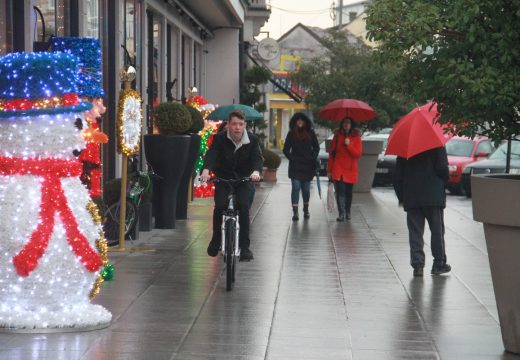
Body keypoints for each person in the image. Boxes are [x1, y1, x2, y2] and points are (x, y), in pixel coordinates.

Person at [200, 111, 263, 261]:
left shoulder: (252, 140)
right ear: (228, 124)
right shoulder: (219, 138)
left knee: (243, 206)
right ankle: (215, 241)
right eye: (234, 124)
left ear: (245, 125)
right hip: (224, 178)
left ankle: (245, 247)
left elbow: (257, 158)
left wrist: (256, 172)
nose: (237, 127)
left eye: (240, 124)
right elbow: (212, 154)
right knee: (220, 206)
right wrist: (207, 169)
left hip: (244, 179)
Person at [393, 146, 451, 277]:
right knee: (437, 231)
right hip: (433, 195)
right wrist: (443, 183)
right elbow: (442, 168)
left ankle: (418, 266)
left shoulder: (405, 146)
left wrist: (402, 197)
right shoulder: (436, 144)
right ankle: (438, 263)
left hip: (412, 196)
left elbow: (397, 176)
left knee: (415, 233)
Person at [283, 112, 319, 221]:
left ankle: (306, 208)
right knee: (296, 187)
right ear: (295, 122)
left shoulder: (311, 133)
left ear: (305, 122)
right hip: (295, 166)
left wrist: (312, 158)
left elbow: (316, 148)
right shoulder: (291, 134)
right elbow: (285, 150)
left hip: (307, 166)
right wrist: (292, 158)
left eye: (301, 120)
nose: (300, 122)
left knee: (306, 190)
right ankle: (295, 212)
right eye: (298, 120)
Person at [327, 117, 362, 221]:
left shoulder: (356, 137)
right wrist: (329, 170)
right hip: (338, 168)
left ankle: (348, 212)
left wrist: (349, 145)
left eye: (348, 123)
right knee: (340, 191)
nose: (346, 124)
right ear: (342, 124)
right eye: (345, 122)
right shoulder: (337, 136)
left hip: (350, 169)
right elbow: (331, 154)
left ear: (352, 125)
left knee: (348, 192)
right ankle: (341, 213)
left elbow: (358, 154)